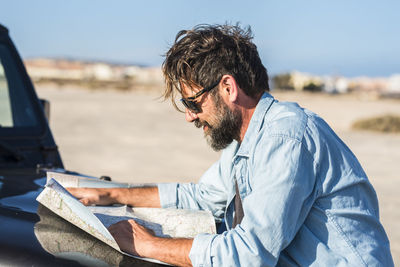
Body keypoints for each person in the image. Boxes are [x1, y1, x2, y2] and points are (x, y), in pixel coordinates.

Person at [68, 24, 394, 266]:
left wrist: (148, 245)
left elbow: (250, 253)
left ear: (227, 87)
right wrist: (114, 194)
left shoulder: (285, 140)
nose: (190, 117)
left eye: (193, 103)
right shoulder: (245, 140)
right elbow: (204, 197)